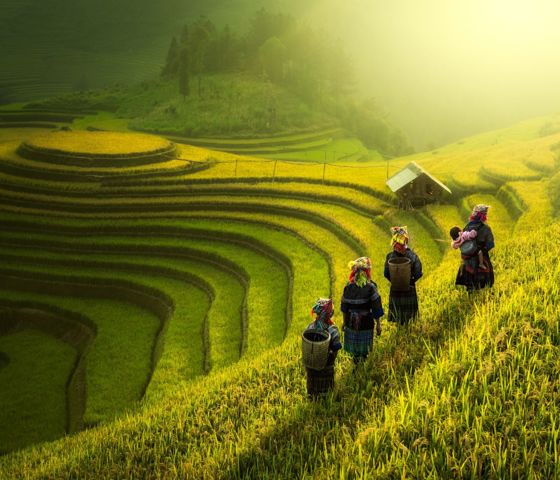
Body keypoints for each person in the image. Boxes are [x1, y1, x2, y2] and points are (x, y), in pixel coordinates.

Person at [341, 257, 384, 363]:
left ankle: (356, 366)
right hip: (365, 322)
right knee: (364, 352)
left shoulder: (348, 286)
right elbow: (376, 308)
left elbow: (344, 308)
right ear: (367, 271)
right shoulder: (371, 287)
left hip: (351, 322)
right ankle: (362, 368)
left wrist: (344, 323)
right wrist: (378, 325)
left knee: (355, 351)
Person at [383, 226, 423, 325]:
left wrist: (395, 281)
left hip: (395, 290)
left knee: (398, 316)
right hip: (409, 289)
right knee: (409, 318)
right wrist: (410, 281)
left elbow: (386, 274)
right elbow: (418, 273)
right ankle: (407, 332)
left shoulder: (389, 257)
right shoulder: (413, 256)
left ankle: (401, 331)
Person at [303, 298, 342, 398]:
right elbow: (336, 348)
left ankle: (312, 397)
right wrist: (330, 361)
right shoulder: (332, 330)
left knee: (312, 389)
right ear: (330, 314)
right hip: (326, 366)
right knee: (326, 390)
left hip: (311, 365)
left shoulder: (310, 327)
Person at [455, 204, 495, 292]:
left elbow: (462, 242)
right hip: (481, 258)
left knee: (469, 283)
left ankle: (470, 295)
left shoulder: (466, 227)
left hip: (468, 259)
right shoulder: (486, 228)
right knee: (483, 285)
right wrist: (482, 250)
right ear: (484, 216)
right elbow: (491, 244)